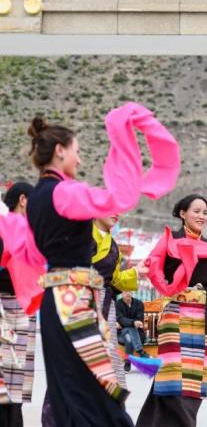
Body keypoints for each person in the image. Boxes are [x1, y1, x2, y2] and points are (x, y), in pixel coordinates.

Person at [0, 103, 180, 427]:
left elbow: (32, 253)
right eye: (77, 151)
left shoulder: (36, 198)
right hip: (74, 300)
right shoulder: (66, 193)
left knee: (69, 388)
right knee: (94, 391)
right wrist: (122, 139)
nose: (80, 160)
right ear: (60, 151)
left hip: (55, 302)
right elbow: (117, 200)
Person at [137, 194, 207, 427]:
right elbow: (153, 268)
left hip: (202, 313)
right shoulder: (170, 239)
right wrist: (169, 288)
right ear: (183, 214)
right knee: (172, 372)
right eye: (196, 211)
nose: (201, 216)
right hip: (176, 313)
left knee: (193, 376)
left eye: (205, 212)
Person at [92, 215, 146, 381]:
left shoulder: (113, 245)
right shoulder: (80, 235)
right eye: (110, 206)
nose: (116, 213)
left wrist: (136, 272)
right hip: (83, 301)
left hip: (106, 303)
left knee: (109, 359)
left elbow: (114, 279)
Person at [0, 182, 35, 427]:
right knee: (7, 378)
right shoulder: (6, 228)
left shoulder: (27, 232)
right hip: (6, 306)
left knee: (16, 380)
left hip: (23, 308)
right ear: (23, 200)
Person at [116, 291, 148, 371]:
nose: (128, 293)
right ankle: (140, 351)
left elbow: (139, 319)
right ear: (122, 293)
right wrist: (133, 322)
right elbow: (120, 318)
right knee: (129, 331)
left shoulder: (139, 303)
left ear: (132, 292)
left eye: (129, 291)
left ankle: (128, 361)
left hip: (138, 334)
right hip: (121, 334)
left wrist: (124, 323)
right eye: (125, 291)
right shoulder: (117, 304)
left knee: (129, 337)